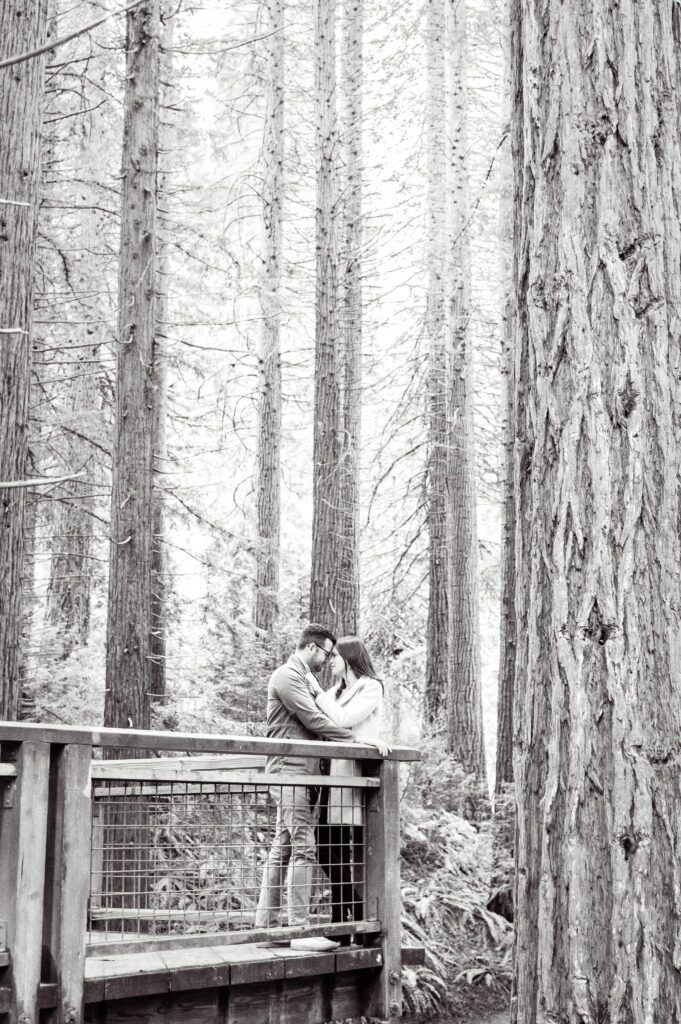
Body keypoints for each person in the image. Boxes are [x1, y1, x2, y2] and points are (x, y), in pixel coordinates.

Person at [254, 623, 357, 952]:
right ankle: (297, 929)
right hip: (289, 770)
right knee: (303, 847)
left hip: (300, 771)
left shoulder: (302, 677)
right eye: (326, 653)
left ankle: (266, 928)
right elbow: (312, 718)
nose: (328, 659)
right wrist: (355, 739)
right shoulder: (287, 675)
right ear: (312, 648)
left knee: (282, 846)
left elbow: (315, 715)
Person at [305, 636, 388, 941]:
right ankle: (350, 921)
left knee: (337, 850)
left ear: (350, 658)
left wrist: (316, 692)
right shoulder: (336, 690)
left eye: (336, 656)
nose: (331, 661)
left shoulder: (370, 686)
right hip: (331, 774)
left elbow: (344, 720)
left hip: (351, 774)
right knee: (328, 850)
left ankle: (346, 924)